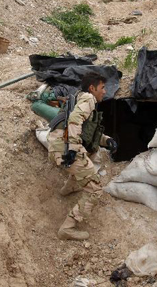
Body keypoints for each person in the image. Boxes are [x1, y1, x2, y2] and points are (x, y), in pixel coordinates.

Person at [47, 72, 118, 240]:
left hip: (58, 146)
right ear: (92, 88)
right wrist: (72, 148)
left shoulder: (80, 99)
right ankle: (67, 228)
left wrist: (107, 141)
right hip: (65, 147)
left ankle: (69, 188)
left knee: (90, 153)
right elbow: (74, 120)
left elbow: (87, 132)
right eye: (102, 88)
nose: (105, 91)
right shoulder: (88, 99)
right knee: (95, 189)